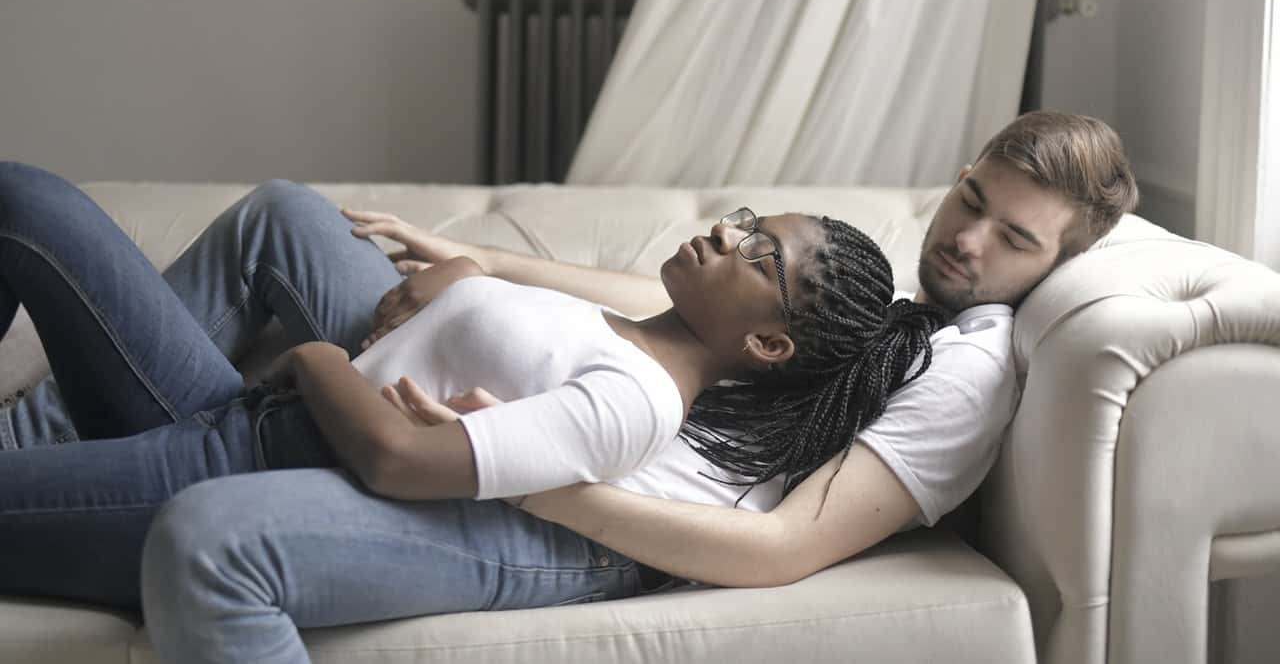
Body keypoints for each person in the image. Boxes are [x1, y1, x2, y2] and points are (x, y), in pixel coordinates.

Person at [0, 111, 1139, 663]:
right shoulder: (875, 302)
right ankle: (41, 454)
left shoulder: (969, 361)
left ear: (1058, 261)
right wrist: (482, 267)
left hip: (567, 493)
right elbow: (685, 315)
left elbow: (788, 545)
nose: (968, 242)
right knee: (287, 219)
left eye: (1014, 239)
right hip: (523, 405)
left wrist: (546, 485)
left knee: (215, 523)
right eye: (970, 200)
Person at [0, 167, 942, 617]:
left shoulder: (640, 400)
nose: (727, 237)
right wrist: (468, 275)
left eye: (758, 252)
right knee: (28, 204)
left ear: (770, 341)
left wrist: (310, 361)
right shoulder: (627, 327)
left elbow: (398, 457)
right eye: (743, 222)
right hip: (240, 417)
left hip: (262, 448)